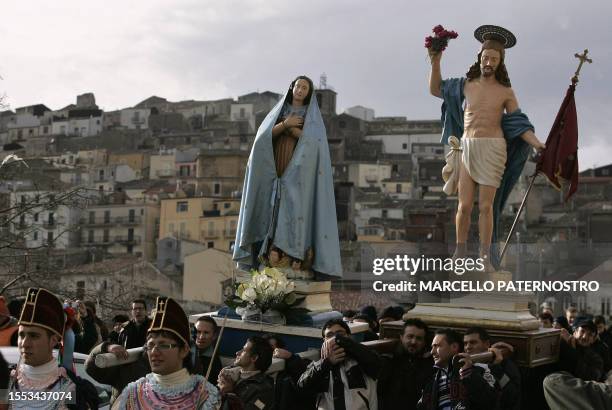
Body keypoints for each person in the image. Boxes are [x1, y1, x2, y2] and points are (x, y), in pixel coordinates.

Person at [429, 25, 545, 271]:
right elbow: (436, 89)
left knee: (485, 207)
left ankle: (484, 257)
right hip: (468, 147)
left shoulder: (505, 91)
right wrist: (435, 61)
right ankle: (459, 253)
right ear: (479, 59)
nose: (489, 61)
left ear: (500, 62)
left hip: (493, 150)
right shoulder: (466, 84)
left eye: (493, 58)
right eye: (485, 57)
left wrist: (539, 144)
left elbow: (519, 124)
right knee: (464, 205)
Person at [233, 74, 342, 278]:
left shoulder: (311, 116)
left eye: (304, 88)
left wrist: (292, 131)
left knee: (295, 211)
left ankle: (293, 257)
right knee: (272, 208)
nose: (300, 90)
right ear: (292, 88)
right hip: (276, 166)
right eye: (298, 86)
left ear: (309, 94)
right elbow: (263, 138)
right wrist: (286, 124)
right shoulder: (280, 111)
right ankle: (269, 254)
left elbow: (314, 144)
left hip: (299, 171)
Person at [116, 296, 220, 409]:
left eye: (163, 345)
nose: (154, 352)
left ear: (184, 350)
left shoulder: (206, 396)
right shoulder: (132, 394)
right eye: (150, 345)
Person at [7, 287, 99, 409]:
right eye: (21, 335)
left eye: (34, 336)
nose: (25, 343)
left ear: (53, 340)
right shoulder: (7, 384)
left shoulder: (71, 390)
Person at [298, 318, 381, 409]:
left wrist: (340, 340)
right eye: (329, 336)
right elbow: (302, 386)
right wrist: (327, 363)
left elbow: (376, 364)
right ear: (324, 341)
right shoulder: (319, 365)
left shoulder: (361, 359)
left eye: (339, 334)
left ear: (349, 336)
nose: (334, 339)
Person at [417, 328, 497, 410]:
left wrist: (469, 375)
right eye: (432, 347)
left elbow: (491, 402)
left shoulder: (479, 370)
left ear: (454, 347)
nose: (432, 352)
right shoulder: (431, 381)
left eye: (437, 346)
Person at [378, 319, 434, 410]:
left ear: (424, 342)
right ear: (401, 337)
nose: (413, 342)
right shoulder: (389, 361)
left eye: (419, 338)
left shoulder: (429, 364)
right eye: (410, 336)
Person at [464, 327, 521, 410]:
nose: (468, 347)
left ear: (486, 344)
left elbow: (512, 397)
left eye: (473, 342)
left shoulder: (504, 364)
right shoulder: (465, 368)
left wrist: (496, 367)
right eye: (465, 343)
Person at [217, 336, 275, 410]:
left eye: (244, 351)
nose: (237, 353)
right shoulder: (230, 374)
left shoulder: (264, 389)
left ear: (254, 358)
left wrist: (230, 393)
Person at [192, 316, 223, 383]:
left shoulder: (214, 363)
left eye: (206, 333)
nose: (201, 337)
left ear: (214, 336)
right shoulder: (182, 351)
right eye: (198, 332)